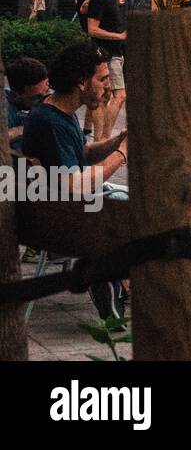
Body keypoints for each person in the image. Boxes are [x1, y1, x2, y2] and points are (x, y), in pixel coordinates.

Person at [21, 41, 129, 319]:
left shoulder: (56, 111)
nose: (108, 86)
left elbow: (80, 153)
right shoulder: (52, 122)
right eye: (103, 79)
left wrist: (115, 141)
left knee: (148, 202)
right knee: (152, 211)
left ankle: (122, 283)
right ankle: (110, 277)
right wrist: (121, 154)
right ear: (82, 82)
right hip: (69, 218)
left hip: (59, 208)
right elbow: (74, 184)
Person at [85, 0, 128, 142]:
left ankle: (100, 140)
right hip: (107, 55)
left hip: (114, 53)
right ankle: (105, 138)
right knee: (119, 95)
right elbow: (92, 29)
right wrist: (119, 36)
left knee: (105, 97)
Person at [5, 57, 49, 155]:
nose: (46, 100)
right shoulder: (5, 107)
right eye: (37, 97)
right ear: (16, 95)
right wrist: (24, 129)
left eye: (47, 90)